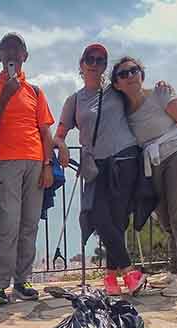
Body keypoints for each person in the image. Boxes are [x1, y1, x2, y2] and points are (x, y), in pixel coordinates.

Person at [111, 57, 177, 297]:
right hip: (153, 163)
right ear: (117, 84)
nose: (130, 76)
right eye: (123, 74)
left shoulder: (160, 94)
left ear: (141, 73)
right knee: (166, 218)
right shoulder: (123, 111)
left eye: (134, 70)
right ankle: (176, 271)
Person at [54, 43, 147, 296]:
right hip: (97, 166)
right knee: (98, 215)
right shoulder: (74, 100)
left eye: (100, 60)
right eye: (90, 59)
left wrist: (162, 91)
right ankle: (128, 271)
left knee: (118, 219)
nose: (95, 64)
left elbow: (139, 95)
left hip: (126, 158)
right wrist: (62, 147)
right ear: (82, 64)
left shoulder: (116, 91)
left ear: (105, 66)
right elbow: (59, 134)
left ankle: (111, 278)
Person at [0, 32, 55, 305]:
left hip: (35, 162)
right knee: (7, 224)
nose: (11, 54)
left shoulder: (36, 91)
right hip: (4, 163)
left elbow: (45, 131)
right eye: (6, 49)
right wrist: (6, 95)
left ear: (25, 56)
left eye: (17, 49)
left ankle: (22, 281)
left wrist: (47, 165)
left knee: (29, 224)